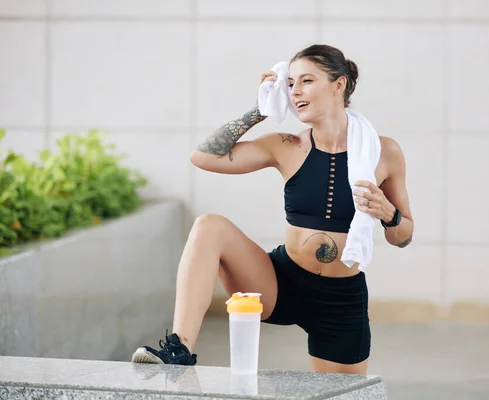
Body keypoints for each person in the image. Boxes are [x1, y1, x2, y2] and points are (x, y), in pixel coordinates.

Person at [131, 44, 414, 375]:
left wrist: (388, 213)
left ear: (339, 85)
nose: (295, 91)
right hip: (281, 281)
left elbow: (402, 236)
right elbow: (202, 157)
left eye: (307, 81)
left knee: (341, 396)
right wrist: (259, 111)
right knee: (210, 226)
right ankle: (180, 349)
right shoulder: (286, 146)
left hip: (340, 300)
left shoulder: (383, 152)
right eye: (290, 83)